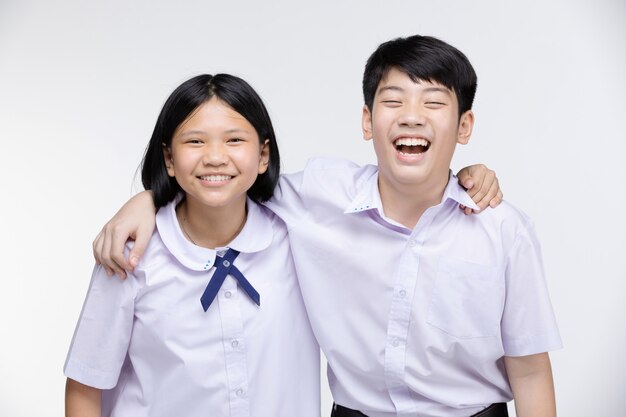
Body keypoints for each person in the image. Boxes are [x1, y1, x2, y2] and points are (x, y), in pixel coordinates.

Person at [91, 35, 557, 417]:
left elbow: (532, 372)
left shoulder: (502, 229)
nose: (412, 115)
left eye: (434, 102)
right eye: (393, 100)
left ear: (464, 126)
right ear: (367, 120)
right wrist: (149, 197)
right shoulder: (317, 197)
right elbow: (224, 177)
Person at [64, 74, 320, 417]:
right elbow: (85, 386)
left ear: (263, 155)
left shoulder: (298, 238)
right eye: (195, 142)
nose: (215, 157)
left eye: (234, 140)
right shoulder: (130, 254)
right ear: (169, 158)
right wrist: (149, 198)